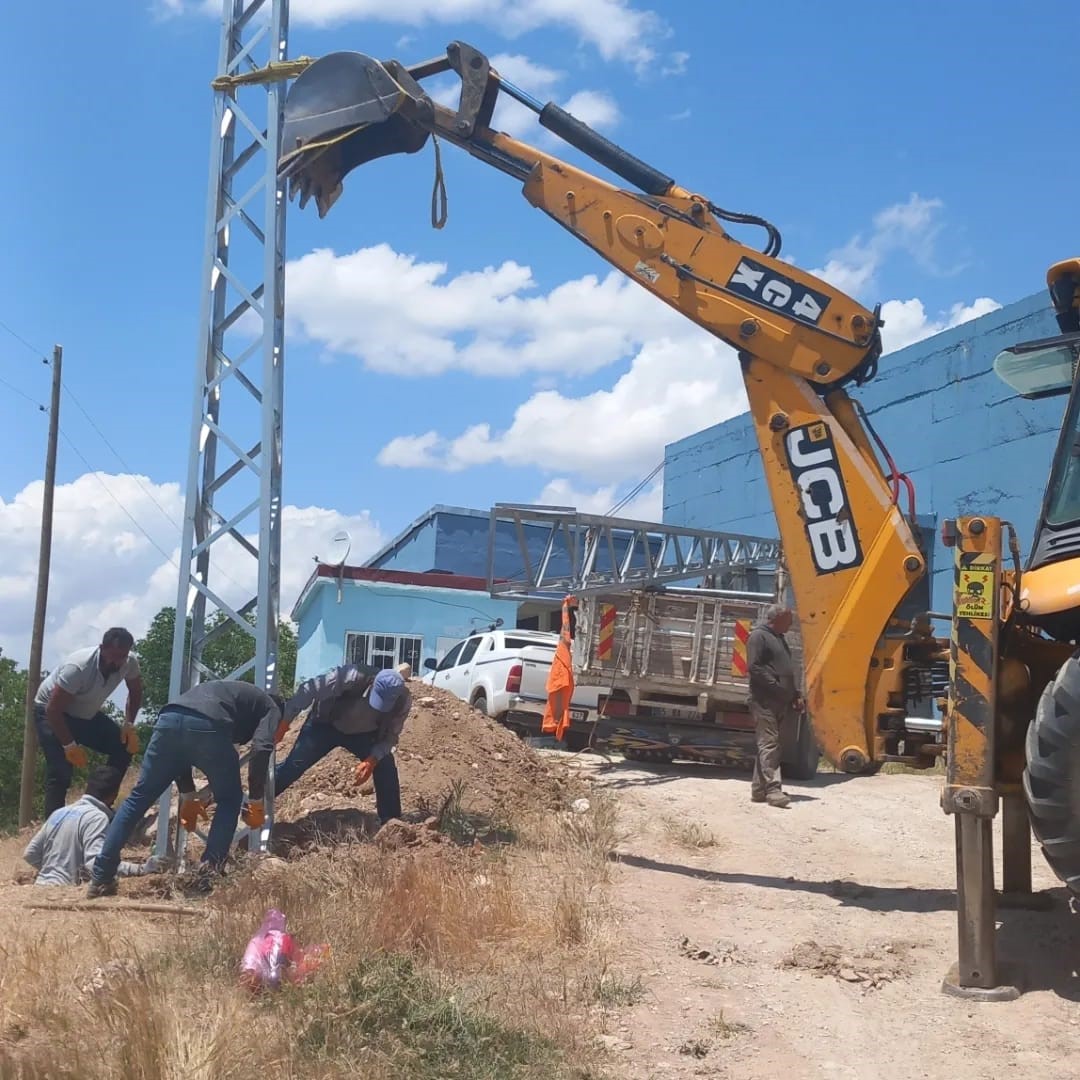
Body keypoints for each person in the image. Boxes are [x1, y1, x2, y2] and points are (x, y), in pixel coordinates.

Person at [87, 680, 285, 898]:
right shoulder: (272, 707)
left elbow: (183, 740)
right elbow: (261, 747)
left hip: (168, 719)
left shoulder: (234, 694)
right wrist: (256, 801)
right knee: (229, 800)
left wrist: (189, 795)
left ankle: (102, 877)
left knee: (138, 799)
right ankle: (207, 875)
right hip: (210, 723)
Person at [274, 664, 412, 825]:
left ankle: (392, 823)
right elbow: (307, 690)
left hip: (363, 735)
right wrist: (284, 724)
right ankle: (258, 799)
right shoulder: (350, 676)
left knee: (385, 765)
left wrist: (372, 760)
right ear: (373, 683)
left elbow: (390, 737)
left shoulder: (403, 701)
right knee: (294, 765)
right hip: (326, 725)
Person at [34, 628, 143, 817]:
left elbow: (135, 691)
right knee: (60, 771)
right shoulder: (79, 667)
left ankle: (100, 807)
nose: (118, 662)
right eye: (114, 656)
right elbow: (53, 710)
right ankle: (54, 826)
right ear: (102, 648)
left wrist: (129, 724)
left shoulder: (129, 662)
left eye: (123, 656)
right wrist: (69, 746)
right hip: (52, 714)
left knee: (123, 747)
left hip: (85, 714)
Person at [23, 765, 162, 886]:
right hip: (66, 892)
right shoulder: (97, 818)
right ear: (114, 795)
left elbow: (30, 854)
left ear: (88, 788)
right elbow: (95, 864)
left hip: (41, 887)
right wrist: (142, 869)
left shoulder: (59, 813)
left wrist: (53, 872)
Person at [746, 603, 799, 809]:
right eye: (788, 619)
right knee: (770, 744)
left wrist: (795, 694)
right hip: (764, 701)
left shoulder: (779, 639)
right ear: (776, 618)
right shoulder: (759, 636)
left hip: (780, 701)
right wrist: (776, 687)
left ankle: (759, 790)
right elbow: (755, 667)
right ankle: (773, 790)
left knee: (769, 745)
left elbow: (786, 671)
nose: (791, 623)